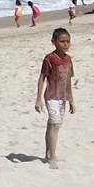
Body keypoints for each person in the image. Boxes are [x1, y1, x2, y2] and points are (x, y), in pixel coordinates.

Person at [35, 28, 76, 169]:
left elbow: (69, 80)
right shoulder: (49, 59)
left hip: (63, 97)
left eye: (67, 41)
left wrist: (71, 100)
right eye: (62, 41)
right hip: (51, 96)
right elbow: (42, 79)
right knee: (54, 123)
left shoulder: (69, 59)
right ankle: (52, 156)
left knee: (55, 126)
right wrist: (38, 99)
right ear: (54, 42)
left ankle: (48, 151)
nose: (65, 44)